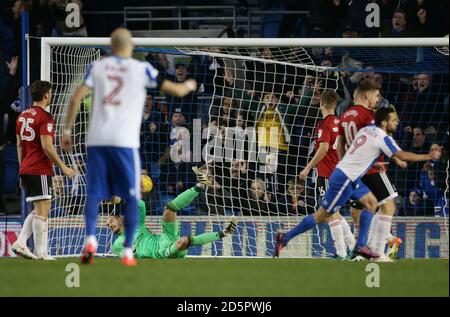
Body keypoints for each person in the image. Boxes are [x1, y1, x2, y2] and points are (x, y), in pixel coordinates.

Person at [61, 28, 198, 266]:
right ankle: (126, 249)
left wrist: (66, 131)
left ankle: (91, 239)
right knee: (133, 193)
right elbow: (175, 90)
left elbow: (74, 99)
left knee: (94, 192)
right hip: (124, 139)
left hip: (98, 137)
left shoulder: (98, 68)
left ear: (112, 48)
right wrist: (188, 86)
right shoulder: (139, 68)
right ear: (129, 48)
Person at [274, 107, 441, 261]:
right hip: (344, 178)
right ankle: (286, 237)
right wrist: (428, 156)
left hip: (352, 178)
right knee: (322, 215)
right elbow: (402, 155)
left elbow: (354, 151)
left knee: (371, 203)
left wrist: (372, 164)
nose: (397, 122)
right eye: (393, 119)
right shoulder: (381, 136)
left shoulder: (365, 131)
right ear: (384, 122)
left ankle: (361, 246)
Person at [107, 168, 238, 259]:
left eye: (111, 220)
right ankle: (222, 233)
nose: (109, 224)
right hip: (161, 252)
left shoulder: (136, 224)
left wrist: (121, 200)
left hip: (164, 237)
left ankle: (200, 186)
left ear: (120, 218)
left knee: (169, 209)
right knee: (184, 241)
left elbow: (140, 204)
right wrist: (132, 251)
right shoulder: (116, 245)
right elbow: (126, 256)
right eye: (108, 224)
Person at [340, 80, 405, 260]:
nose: (377, 100)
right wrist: (396, 156)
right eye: (376, 96)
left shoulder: (345, 115)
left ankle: (367, 249)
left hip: (356, 171)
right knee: (388, 207)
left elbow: (343, 144)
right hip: (373, 168)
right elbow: (376, 140)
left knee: (367, 209)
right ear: (366, 95)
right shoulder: (368, 114)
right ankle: (377, 251)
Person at [12, 80, 75, 260]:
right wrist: (64, 168)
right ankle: (41, 253)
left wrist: (21, 169)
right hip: (39, 168)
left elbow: (19, 144)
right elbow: (47, 146)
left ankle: (21, 242)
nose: (52, 96)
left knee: (40, 208)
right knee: (43, 210)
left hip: (27, 167)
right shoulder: (45, 117)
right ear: (46, 95)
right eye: (51, 93)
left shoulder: (22, 116)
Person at [299, 90, 356, 259]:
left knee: (329, 213)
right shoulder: (342, 122)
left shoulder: (325, 124)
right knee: (335, 212)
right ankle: (354, 248)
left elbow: (323, 148)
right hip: (340, 172)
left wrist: (308, 167)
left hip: (327, 175)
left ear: (321, 103)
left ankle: (341, 252)